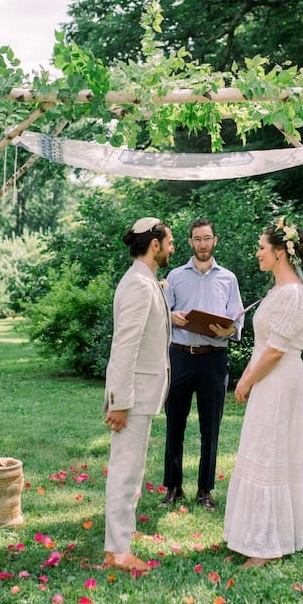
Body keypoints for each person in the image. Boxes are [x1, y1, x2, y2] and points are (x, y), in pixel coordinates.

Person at [224, 216, 303, 568]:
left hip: (280, 381)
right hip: (267, 378)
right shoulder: (277, 291)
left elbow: (276, 350)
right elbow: (263, 345)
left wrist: (246, 381)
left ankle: (267, 545)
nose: (257, 253)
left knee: (271, 452)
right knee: (260, 450)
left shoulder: (293, 294)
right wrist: (246, 376)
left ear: (280, 253)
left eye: (262, 248)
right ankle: (257, 537)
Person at [103, 216, 174, 574]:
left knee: (133, 467)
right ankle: (117, 551)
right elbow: (124, 347)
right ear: (155, 244)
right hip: (132, 398)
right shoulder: (138, 285)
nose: (173, 248)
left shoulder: (145, 281)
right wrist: (120, 403)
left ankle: (124, 534)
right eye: (170, 242)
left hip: (144, 394)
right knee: (125, 470)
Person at [161, 217, 244, 511]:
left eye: (207, 238)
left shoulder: (228, 278)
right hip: (180, 355)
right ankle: (173, 488)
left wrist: (230, 330)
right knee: (175, 423)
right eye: (197, 239)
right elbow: (161, 313)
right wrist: (171, 316)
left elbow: (237, 318)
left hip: (214, 359)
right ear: (190, 243)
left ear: (215, 241)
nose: (203, 244)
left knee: (211, 427)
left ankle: (204, 490)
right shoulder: (174, 276)